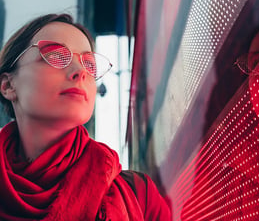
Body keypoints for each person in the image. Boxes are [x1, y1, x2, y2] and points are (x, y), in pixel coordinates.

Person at [0, 13, 171, 220]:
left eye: (89, 64)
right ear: (8, 85)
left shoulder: (140, 196)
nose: (80, 72)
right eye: (55, 56)